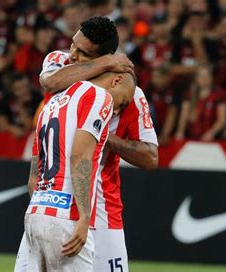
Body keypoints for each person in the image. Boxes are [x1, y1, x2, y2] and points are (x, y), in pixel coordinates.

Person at [15, 16, 158, 272]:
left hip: (103, 210)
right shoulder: (58, 64)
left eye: (83, 53)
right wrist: (108, 62)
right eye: (73, 45)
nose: (72, 55)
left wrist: (101, 134)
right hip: (56, 202)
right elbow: (49, 81)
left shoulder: (130, 94)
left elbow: (150, 157)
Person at [25, 72, 135, 271]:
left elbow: (34, 175)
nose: (117, 111)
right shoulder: (98, 97)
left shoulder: (51, 103)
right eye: (123, 101)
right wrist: (84, 216)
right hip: (67, 216)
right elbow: (80, 158)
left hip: (36, 211)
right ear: (116, 80)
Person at [175, 64, 226, 141]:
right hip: (191, 138)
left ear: (211, 77)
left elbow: (222, 120)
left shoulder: (219, 94)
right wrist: (180, 131)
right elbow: (184, 116)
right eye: (201, 76)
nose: (204, 78)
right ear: (196, 79)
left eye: (206, 75)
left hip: (212, 139)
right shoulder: (189, 94)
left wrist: (211, 133)